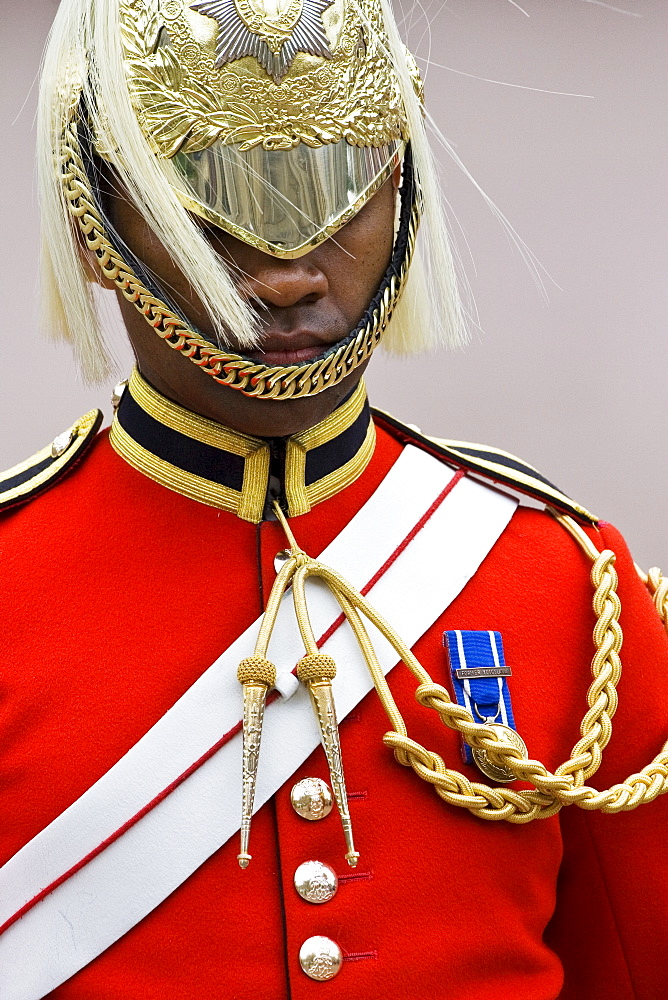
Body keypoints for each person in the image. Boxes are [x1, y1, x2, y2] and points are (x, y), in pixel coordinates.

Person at [0, 1, 666, 998]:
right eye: (210, 197)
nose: (285, 276)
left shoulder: (566, 585)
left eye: (331, 185)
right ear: (94, 218)